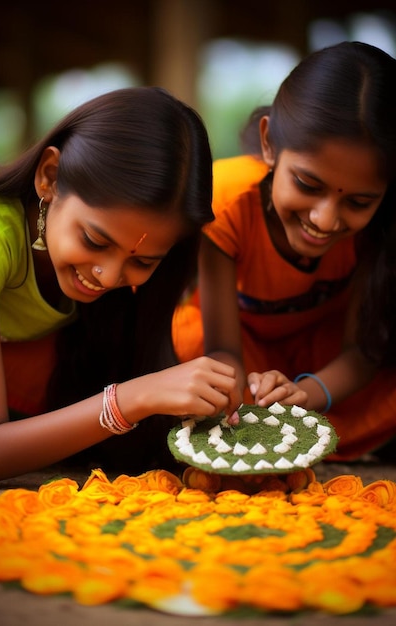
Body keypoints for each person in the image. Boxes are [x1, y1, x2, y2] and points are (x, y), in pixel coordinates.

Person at [0, 86, 241, 486]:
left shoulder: (103, 286)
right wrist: (133, 398)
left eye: (142, 261)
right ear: (49, 177)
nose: (106, 275)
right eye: (95, 241)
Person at [173, 41, 396, 461]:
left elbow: (364, 351)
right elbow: (221, 346)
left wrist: (305, 394)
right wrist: (245, 393)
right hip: (243, 353)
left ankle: (319, 439)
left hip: (326, 365)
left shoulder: (383, 227)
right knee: (185, 335)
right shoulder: (226, 202)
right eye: (308, 186)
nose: (326, 220)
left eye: (358, 202)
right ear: (269, 144)